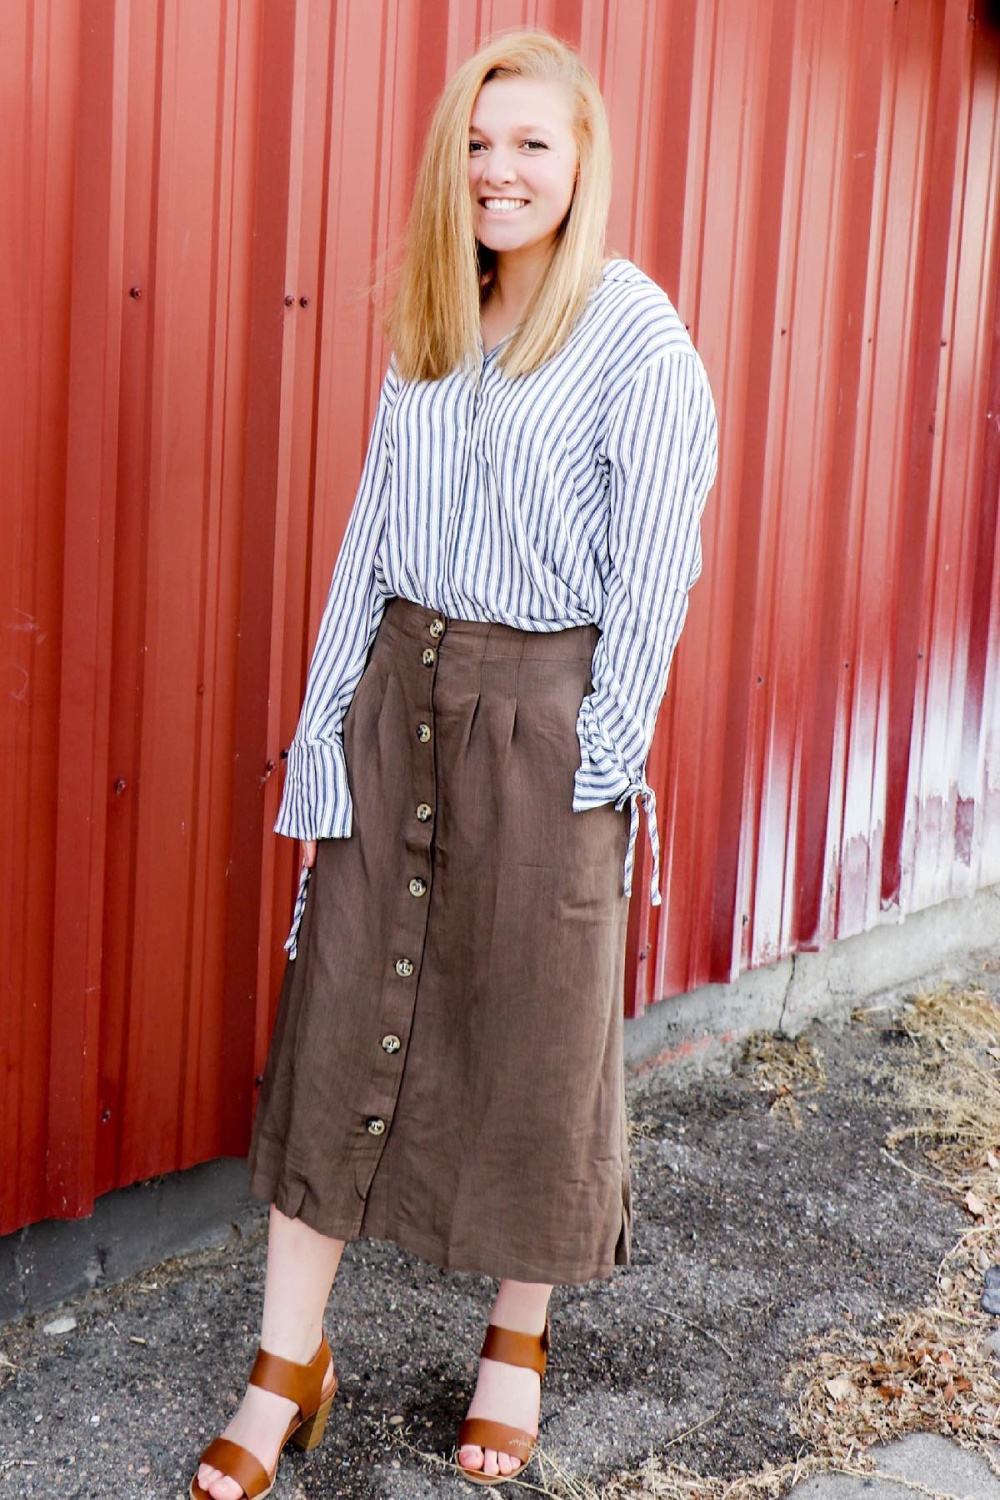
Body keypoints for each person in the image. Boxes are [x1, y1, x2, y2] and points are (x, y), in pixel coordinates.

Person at [191, 27, 717, 1500]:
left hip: (548, 718)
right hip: (397, 701)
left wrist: (597, 761)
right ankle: (287, 1362)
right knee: (344, 1004)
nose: (500, 171)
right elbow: (369, 538)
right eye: (479, 146)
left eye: (531, 145)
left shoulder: (636, 337)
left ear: (582, 162)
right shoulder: (436, 314)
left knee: (535, 1033)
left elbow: (656, 567)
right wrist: (318, 741)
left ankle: (514, 1347)